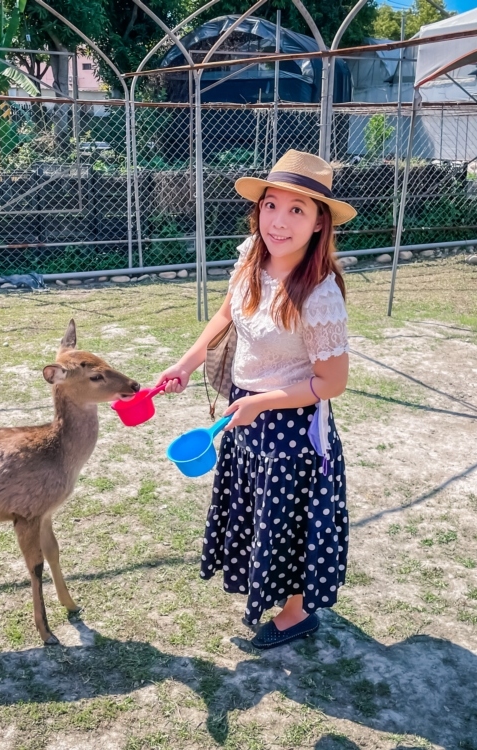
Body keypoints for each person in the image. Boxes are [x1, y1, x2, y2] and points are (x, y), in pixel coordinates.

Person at [158, 150, 355, 649]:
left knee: (288, 517)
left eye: (297, 210)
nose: (278, 221)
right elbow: (228, 313)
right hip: (247, 411)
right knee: (257, 509)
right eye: (271, 205)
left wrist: (262, 403)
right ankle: (270, 589)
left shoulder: (320, 294)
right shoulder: (252, 254)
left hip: (291, 424)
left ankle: (297, 612)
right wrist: (186, 363)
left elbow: (331, 383)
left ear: (318, 224)